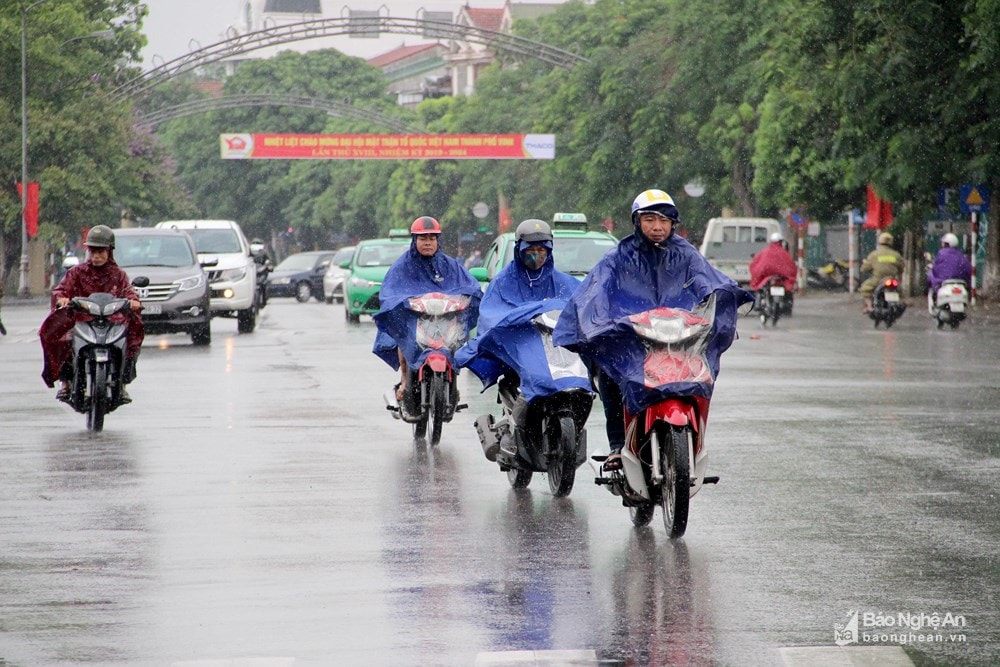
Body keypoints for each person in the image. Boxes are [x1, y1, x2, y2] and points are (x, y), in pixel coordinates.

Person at [553, 189, 752, 471]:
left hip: (679, 337)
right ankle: (617, 446)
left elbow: (706, 282)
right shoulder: (618, 257)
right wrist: (598, 320)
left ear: (673, 223)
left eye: (664, 220)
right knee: (611, 377)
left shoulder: (687, 255)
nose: (657, 227)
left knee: (702, 376)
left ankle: (694, 441)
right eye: (649, 219)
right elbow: (596, 291)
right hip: (631, 338)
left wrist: (723, 296)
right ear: (637, 221)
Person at [457, 219, 582, 460]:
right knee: (534, 378)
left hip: (554, 346)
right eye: (531, 251)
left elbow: (581, 302)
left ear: (550, 251)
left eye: (542, 251)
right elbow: (491, 313)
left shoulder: (561, 281)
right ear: (519, 250)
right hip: (521, 344)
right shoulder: (504, 282)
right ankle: (514, 432)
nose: (537, 256)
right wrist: (520, 317)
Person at [372, 216, 481, 415]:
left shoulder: (450, 265)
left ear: (438, 240)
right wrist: (401, 303)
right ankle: (405, 381)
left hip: (444, 318)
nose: (428, 242)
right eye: (423, 238)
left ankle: (452, 384)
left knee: (456, 341)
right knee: (403, 339)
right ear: (415, 240)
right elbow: (390, 291)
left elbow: (469, 284)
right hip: (414, 319)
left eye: (432, 237)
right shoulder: (403, 266)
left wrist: (471, 295)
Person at [40, 225, 144, 401]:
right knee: (63, 339)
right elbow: (61, 290)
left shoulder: (119, 275)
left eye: (101, 251)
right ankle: (66, 383)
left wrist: (133, 301)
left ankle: (123, 383)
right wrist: (62, 299)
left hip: (112, 321)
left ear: (109, 251)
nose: (96, 256)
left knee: (132, 337)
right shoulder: (77, 273)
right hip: (81, 321)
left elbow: (129, 292)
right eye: (93, 251)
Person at [860, 232, 904, 313]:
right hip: (892, 280)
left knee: (865, 288)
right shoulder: (896, 255)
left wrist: (866, 268)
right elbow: (901, 269)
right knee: (899, 291)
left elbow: (864, 269)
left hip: (878, 280)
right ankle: (898, 303)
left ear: (879, 242)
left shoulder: (874, 254)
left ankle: (869, 306)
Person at [927, 232, 972, 301]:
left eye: (943, 243)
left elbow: (937, 268)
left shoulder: (941, 253)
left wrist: (932, 268)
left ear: (946, 244)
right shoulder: (960, 255)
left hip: (943, 281)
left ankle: (935, 297)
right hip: (960, 281)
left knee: (931, 276)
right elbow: (968, 269)